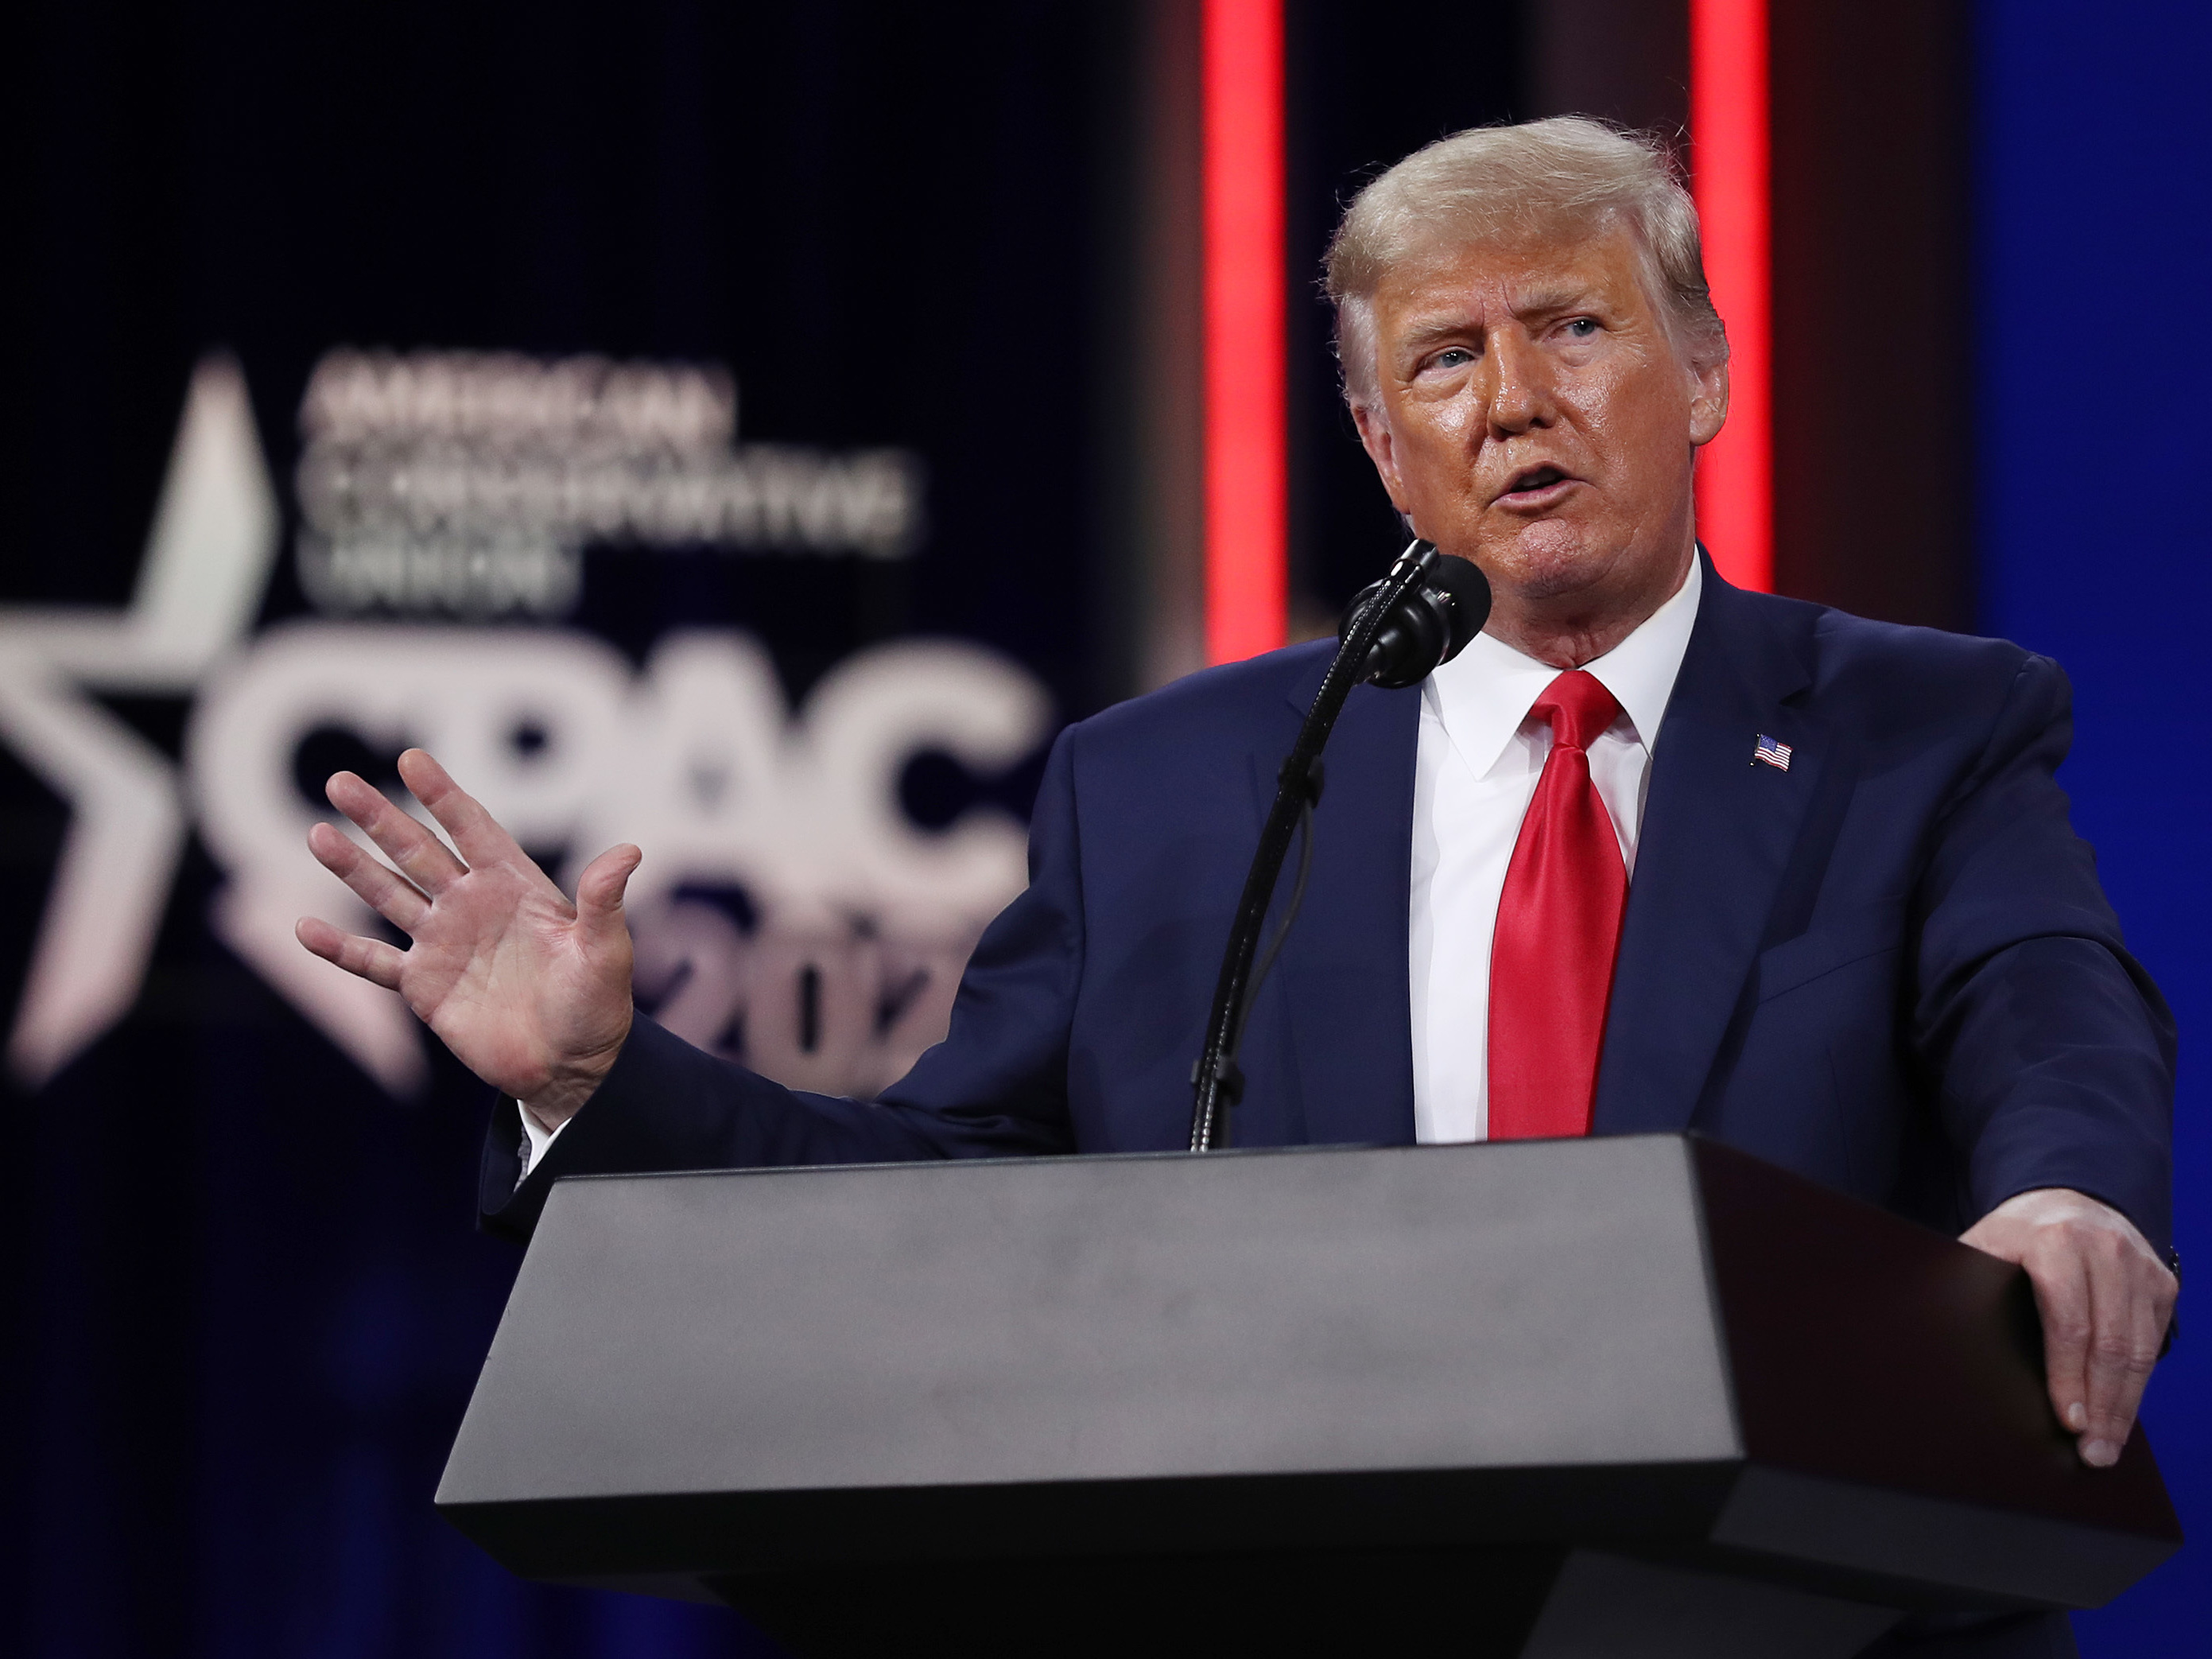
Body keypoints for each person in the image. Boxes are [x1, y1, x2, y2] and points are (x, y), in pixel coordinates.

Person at [299, 118, 2174, 1657]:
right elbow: (970, 1199)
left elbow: (2042, 989)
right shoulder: (1175, 785)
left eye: (1573, 330)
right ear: (1379, 444)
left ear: (1700, 371)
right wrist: (594, 1080)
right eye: (1444, 359)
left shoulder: (1913, 722)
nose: (1512, 400)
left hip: (1797, 1616)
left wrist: (2059, 1188)